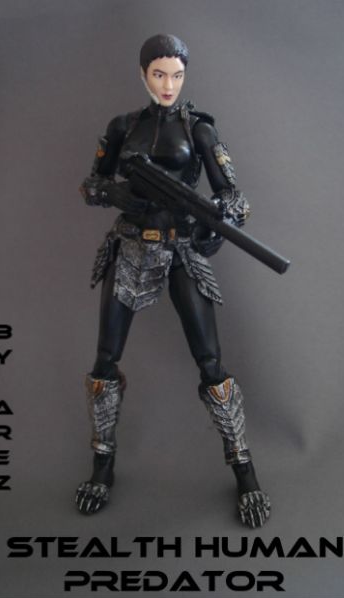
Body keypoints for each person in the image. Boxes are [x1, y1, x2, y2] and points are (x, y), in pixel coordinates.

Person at [76, 34, 270, 528]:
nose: (168, 85)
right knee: (105, 359)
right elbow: (91, 184)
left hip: (181, 246)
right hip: (129, 245)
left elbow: (236, 198)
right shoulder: (123, 127)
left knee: (210, 361)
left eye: (177, 75)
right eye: (159, 74)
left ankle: (245, 472)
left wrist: (213, 223)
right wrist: (116, 195)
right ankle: (102, 466)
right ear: (143, 73)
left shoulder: (200, 130)